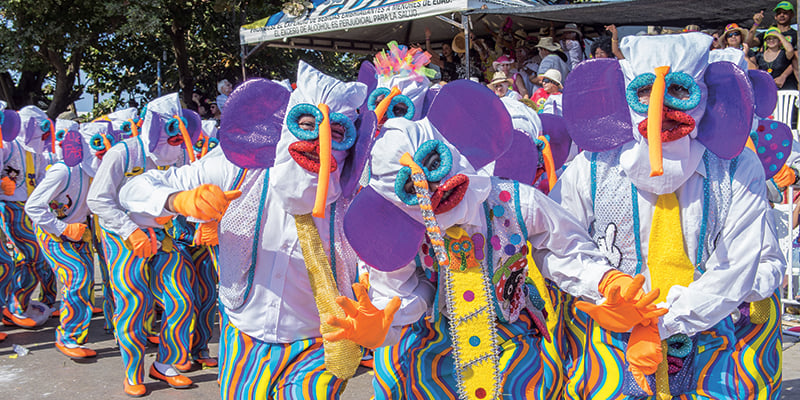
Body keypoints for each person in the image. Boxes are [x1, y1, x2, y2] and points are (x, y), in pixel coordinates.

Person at [330, 79, 663, 400]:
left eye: (433, 163)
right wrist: (385, 319)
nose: (433, 188)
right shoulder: (400, 226)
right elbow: (404, 292)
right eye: (412, 187)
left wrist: (606, 282)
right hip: (434, 352)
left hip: (513, 343)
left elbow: (566, 250)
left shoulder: (516, 199)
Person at [118, 61, 376, 400]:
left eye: (336, 132)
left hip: (318, 346)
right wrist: (178, 199)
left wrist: (382, 315)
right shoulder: (238, 167)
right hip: (244, 334)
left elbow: (386, 268)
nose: (319, 141)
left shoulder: (358, 193)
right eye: (306, 124)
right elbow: (133, 190)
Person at [555, 31, 784, 399]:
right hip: (610, 341)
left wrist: (659, 323)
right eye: (644, 93)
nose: (658, 107)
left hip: (713, 338)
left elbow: (739, 264)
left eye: (677, 90)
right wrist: (605, 283)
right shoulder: (592, 166)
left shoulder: (737, 167)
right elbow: (558, 241)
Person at [87, 93, 199, 397]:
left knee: (182, 299)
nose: (176, 144)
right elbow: (97, 199)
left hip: (163, 234)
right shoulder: (123, 154)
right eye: (171, 136)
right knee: (134, 305)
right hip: (125, 236)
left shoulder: (181, 154)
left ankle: (166, 364)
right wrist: (128, 230)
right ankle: (133, 372)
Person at [25, 122, 115, 360]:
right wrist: (62, 227)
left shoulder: (102, 171)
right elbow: (33, 206)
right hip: (53, 233)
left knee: (85, 279)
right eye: (97, 144)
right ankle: (68, 337)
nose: (103, 150)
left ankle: (82, 331)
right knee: (78, 275)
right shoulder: (63, 171)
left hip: (80, 232)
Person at [0, 106, 58, 328]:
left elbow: (42, 178)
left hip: (32, 209)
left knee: (34, 257)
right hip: (10, 207)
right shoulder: (7, 146)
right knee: (31, 255)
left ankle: (20, 304)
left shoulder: (37, 152)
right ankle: (14, 307)